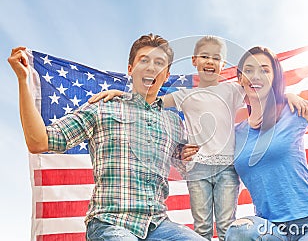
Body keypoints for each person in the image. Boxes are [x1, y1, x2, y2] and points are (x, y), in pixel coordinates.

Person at [89, 36, 308, 241]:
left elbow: (261, 91)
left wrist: (286, 95)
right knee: (202, 226)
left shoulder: (232, 89)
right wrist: (123, 96)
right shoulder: (184, 95)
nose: (210, 61)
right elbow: (149, 101)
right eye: (204, 56)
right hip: (198, 169)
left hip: (226, 167)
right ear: (194, 60)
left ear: (223, 64)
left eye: (216, 58)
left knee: (226, 225)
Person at [7, 34, 207, 241]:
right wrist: (23, 81)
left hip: (157, 224)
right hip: (110, 223)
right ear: (130, 69)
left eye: (159, 63)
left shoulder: (174, 122)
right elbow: (39, 142)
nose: (151, 67)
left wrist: (190, 158)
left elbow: (190, 169)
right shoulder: (102, 107)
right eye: (144, 60)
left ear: (166, 75)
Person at [222, 44, 308, 241]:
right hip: (268, 230)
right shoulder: (234, 133)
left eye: (264, 70)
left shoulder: (294, 110)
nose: (256, 76)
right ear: (240, 78)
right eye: (248, 70)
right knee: (239, 231)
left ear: (274, 78)